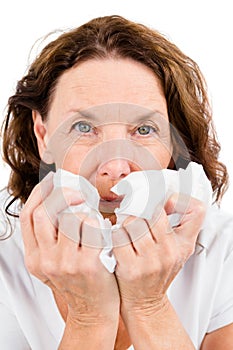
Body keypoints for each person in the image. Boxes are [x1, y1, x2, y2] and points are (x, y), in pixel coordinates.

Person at [0, 14, 232, 350]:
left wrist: (149, 307)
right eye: (83, 128)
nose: (115, 166)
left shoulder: (223, 251)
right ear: (43, 135)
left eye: (143, 129)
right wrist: (89, 317)